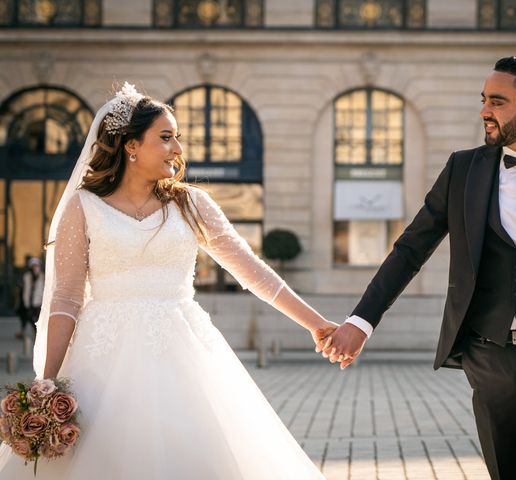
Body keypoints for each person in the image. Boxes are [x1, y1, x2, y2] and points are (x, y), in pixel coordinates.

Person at [0, 83, 333, 479]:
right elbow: (66, 299)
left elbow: (253, 271)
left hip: (183, 352)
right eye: (166, 137)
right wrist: (47, 381)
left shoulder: (192, 204)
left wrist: (319, 325)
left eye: (178, 137)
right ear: (130, 145)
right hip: (102, 360)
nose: (177, 148)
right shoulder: (83, 206)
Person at [319, 57, 516, 479]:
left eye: (498, 102)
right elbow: (411, 249)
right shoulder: (463, 169)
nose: (485, 110)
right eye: (484, 100)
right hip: (490, 357)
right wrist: (361, 320)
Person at [17, 257, 45, 338]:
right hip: (29, 302)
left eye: (37, 266)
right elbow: (26, 290)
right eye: (34, 266)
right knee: (29, 317)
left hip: (39, 302)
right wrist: (26, 303)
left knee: (38, 319)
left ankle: (37, 333)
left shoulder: (42, 276)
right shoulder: (27, 276)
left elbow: (43, 290)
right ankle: (33, 331)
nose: (35, 268)